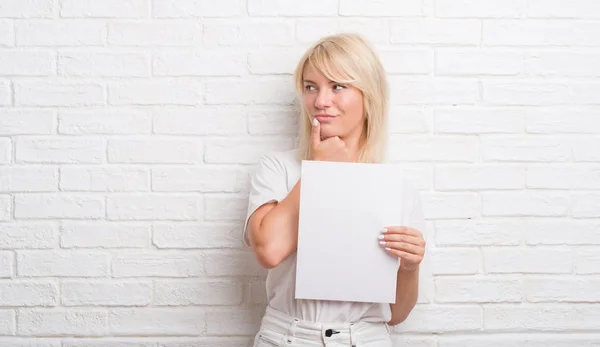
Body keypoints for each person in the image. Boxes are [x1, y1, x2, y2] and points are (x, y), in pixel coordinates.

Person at [243, 33, 428, 347]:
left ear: (369, 95)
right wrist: (321, 170)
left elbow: (396, 314)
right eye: (310, 87)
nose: (320, 101)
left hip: (365, 338)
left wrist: (410, 267)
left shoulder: (397, 189)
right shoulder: (278, 169)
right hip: (286, 337)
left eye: (337, 86)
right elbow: (269, 251)